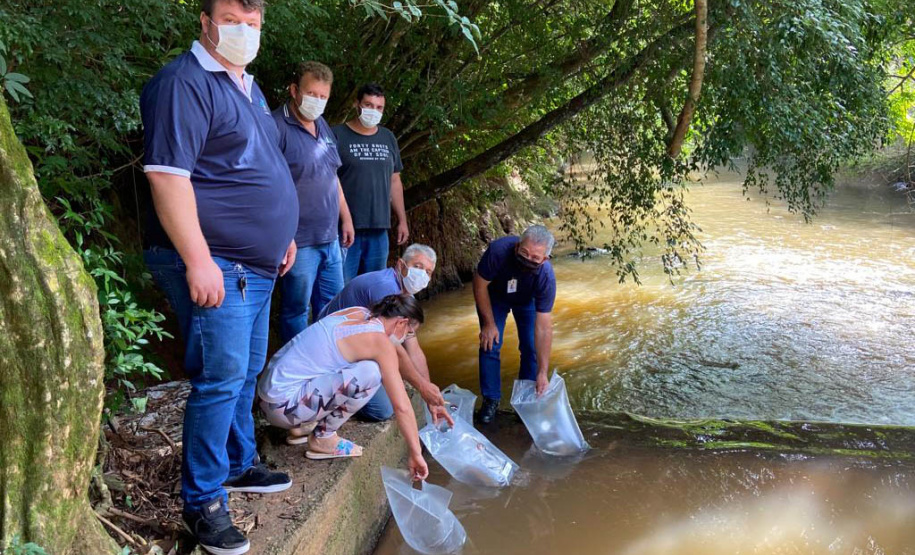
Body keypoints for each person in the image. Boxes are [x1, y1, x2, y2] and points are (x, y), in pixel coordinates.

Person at [140, 1, 296, 553]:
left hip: (258, 264)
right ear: (205, 22)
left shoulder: (249, 87)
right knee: (220, 378)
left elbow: (259, 164)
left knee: (246, 370)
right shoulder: (183, 83)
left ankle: (237, 462)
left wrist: (284, 234)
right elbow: (168, 177)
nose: (244, 31)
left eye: (253, 24)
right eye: (232, 20)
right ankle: (203, 502)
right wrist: (199, 259)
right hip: (218, 261)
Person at [257, 295, 429, 481]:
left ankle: (303, 427)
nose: (405, 338)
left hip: (266, 396)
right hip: (282, 408)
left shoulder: (358, 312)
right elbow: (401, 406)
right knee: (372, 373)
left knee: (361, 368)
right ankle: (323, 437)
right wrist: (416, 453)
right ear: (401, 322)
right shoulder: (380, 342)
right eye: (409, 333)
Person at [319, 244, 452, 426]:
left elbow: (412, 347)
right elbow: (394, 348)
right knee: (382, 409)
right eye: (418, 266)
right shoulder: (385, 288)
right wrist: (422, 387)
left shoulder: (406, 295)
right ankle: (321, 407)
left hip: (354, 343)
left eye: (428, 272)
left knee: (393, 387)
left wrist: (430, 396)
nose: (422, 274)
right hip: (332, 349)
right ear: (400, 265)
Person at [273, 61, 355, 342]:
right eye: (311, 94)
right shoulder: (276, 127)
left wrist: (346, 218)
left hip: (330, 238)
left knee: (334, 307)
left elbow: (332, 175)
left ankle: (329, 360)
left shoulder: (323, 126)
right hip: (298, 241)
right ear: (294, 90)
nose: (317, 101)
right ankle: (295, 364)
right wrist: (283, 235)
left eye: (323, 96)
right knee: (296, 310)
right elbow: (266, 186)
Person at [473, 225, 557, 425]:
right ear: (517, 246)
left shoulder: (546, 276)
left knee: (530, 347)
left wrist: (543, 372)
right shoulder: (499, 251)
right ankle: (491, 399)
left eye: (535, 258)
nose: (528, 259)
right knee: (490, 343)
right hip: (495, 297)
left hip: (527, 301)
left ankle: (525, 400)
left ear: (545, 259)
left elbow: (544, 328)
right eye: (524, 253)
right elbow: (479, 283)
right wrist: (488, 323)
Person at [333, 83, 408, 282]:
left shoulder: (388, 137)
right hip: (344, 229)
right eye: (368, 105)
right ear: (356, 104)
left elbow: (395, 180)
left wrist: (402, 220)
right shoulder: (337, 135)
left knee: (375, 288)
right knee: (342, 289)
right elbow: (329, 180)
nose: (373, 111)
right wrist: (344, 219)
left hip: (379, 230)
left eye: (379, 107)